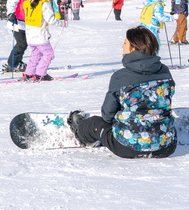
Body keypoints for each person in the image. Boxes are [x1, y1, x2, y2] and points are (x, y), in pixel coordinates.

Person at [67, 25, 178, 158]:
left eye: (125, 43)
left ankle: (80, 131)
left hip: (127, 147)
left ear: (134, 48)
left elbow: (107, 115)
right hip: (166, 147)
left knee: (95, 123)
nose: (122, 46)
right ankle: (158, 135)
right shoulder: (165, 71)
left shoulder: (121, 77)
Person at [3, 0, 37, 73]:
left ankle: (17, 62)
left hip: (28, 23)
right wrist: (10, 13)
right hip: (16, 22)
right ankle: (12, 64)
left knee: (25, 44)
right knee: (21, 43)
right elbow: (11, 3)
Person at [22, 0, 57, 81]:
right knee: (49, 54)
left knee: (36, 54)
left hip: (30, 35)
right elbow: (50, 19)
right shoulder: (44, 3)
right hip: (40, 35)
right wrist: (62, 23)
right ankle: (40, 74)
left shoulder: (28, 3)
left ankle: (28, 73)